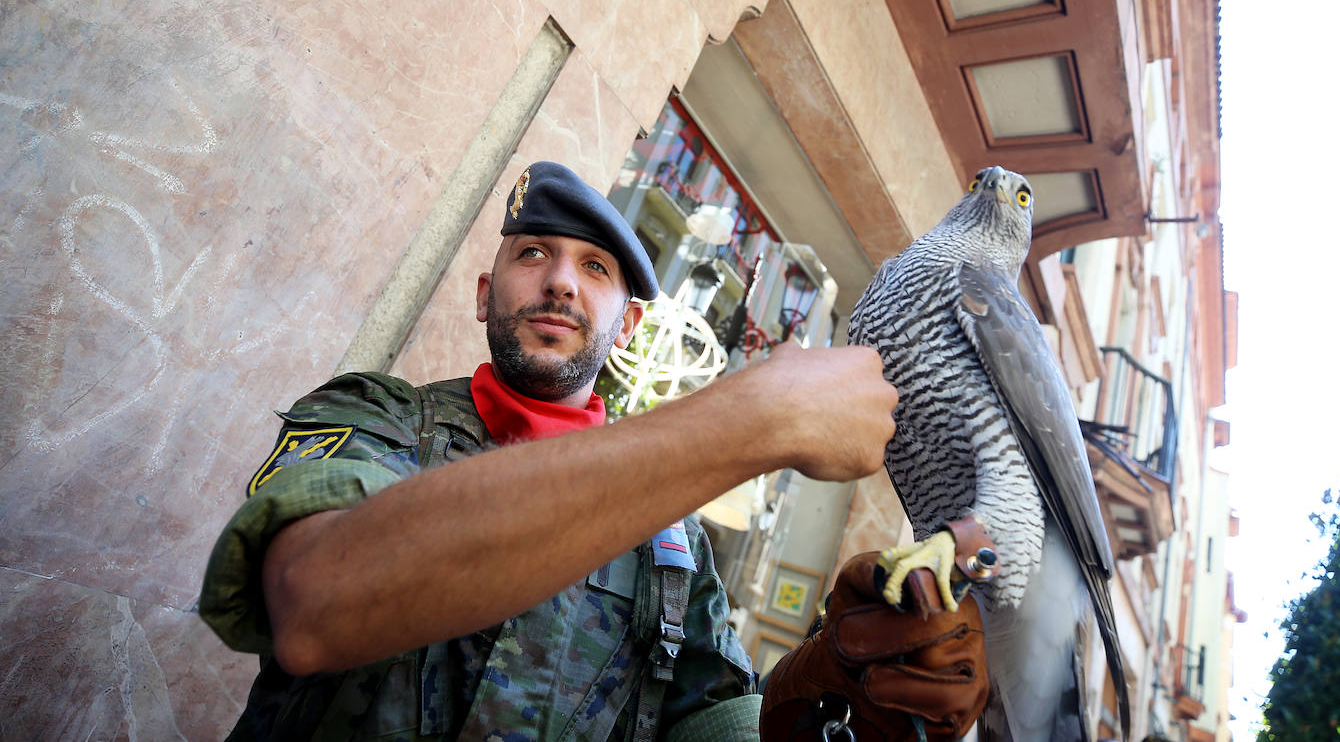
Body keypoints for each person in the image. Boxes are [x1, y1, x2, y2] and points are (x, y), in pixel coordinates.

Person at [200, 161, 988, 740]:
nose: (562, 284)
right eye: (533, 253)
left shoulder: (675, 545)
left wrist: (829, 695)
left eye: (597, 268)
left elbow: (718, 728)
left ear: (631, 328)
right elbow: (315, 600)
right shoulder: (371, 416)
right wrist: (748, 420)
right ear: (485, 292)